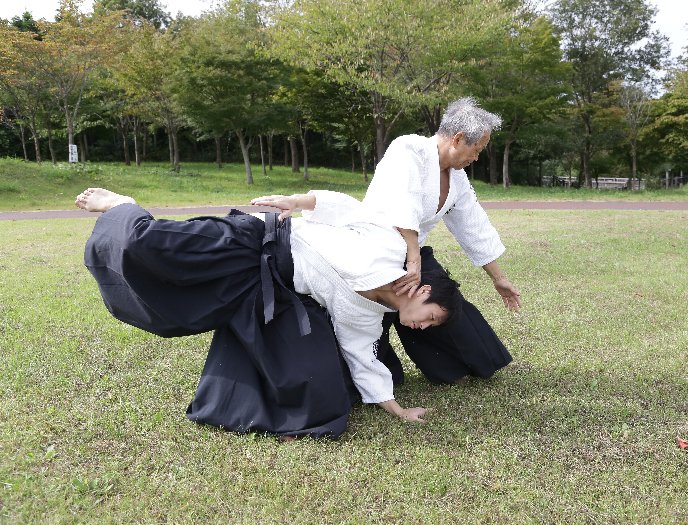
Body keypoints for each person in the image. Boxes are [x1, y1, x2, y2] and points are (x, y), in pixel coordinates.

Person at [76, 187, 462, 439]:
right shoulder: (390, 250)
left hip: (264, 281)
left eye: (429, 327)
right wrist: (298, 202)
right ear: (424, 290)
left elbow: (363, 357)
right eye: (431, 316)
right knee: (147, 246)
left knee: (179, 314)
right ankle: (122, 206)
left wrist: (395, 408)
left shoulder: (366, 315)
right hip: (253, 239)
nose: (422, 326)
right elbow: (348, 208)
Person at [362, 96, 521, 386]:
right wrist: (412, 258)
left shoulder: (457, 179)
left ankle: (463, 366)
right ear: (458, 139)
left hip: (413, 254)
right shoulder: (407, 149)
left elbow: (472, 225)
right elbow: (402, 201)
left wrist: (499, 278)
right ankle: (376, 375)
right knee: (377, 322)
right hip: (374, 251)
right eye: (477, 149)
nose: (477, 158)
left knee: (447, 306)